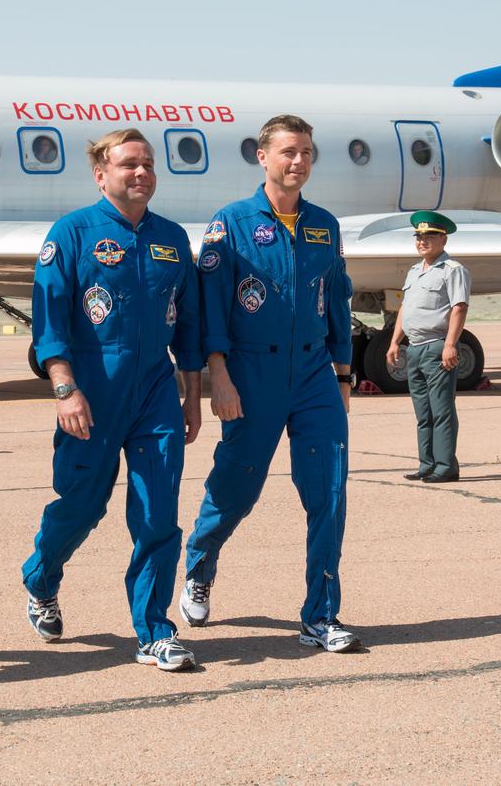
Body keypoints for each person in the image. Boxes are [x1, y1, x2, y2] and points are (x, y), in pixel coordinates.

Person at [22, 128, 203, 671]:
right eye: (129, 164)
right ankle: (41, 579)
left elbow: (189, 327)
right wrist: (65, 389)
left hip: (155, 392)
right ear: (101, 175)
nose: (141, 172)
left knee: (157, 513)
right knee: (82, 506)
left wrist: (192, 397)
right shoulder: (72, 233)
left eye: (148, 164)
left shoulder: (172, 238)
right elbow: (49, 321)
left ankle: (154, 630)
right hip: (91, 392)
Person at [180, 115, 359, 653]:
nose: (298, 161)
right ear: (263, 157)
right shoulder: (231, 223)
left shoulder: (324, 226)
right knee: (237, 490)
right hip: (251, 374)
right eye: (288, 152)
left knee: (328, 492)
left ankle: (320, 617)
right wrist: (218, 375)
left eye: (306, 152)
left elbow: (337, 300)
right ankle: (200, 564)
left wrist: (343, 376)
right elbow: (212, 305)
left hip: (314, 376)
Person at [387, 211, 470, 484]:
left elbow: (459, 307)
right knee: (423, 413)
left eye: (429, 236)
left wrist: (450, 345)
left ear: (443, 239)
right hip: (414, 348)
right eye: (419, 236)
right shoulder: (415, 271)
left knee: (441, 411)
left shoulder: (453, 270)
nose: (422, 241)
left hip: (436, 347)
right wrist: (394, 342)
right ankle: (427, 464)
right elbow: (405, 309)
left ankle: (446, 467)